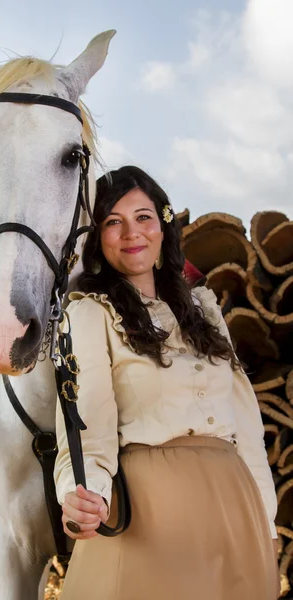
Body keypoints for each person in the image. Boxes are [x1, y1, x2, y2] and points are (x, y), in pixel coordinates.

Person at [54, 166, 280, 600]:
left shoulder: (205, 310)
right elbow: (87, 433)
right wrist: (83, 496)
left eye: (143, 217)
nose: (130, 233)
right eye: (112, 222)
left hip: (236, 512)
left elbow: (245, 426)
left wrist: (264, 520)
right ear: (97, 238)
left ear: (162, 226)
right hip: (150, 520)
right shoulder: (89, 314)